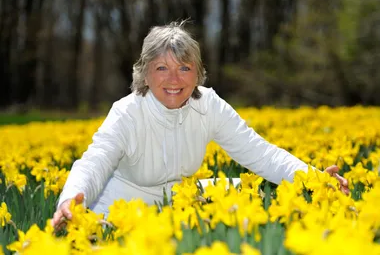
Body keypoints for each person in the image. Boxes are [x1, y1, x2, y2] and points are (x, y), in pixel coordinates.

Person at [51, 21, 349, 230]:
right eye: (162, 68)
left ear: (198, 74)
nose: (174, 80)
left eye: (184, 68)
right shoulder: (127, 113)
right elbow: (94, 162)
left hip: (181, 201)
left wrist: (314, 178)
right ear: (145, 75)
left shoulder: (208, 105)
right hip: (120, 208)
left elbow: (260, 153)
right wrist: (71, 199)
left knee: (253, 192)